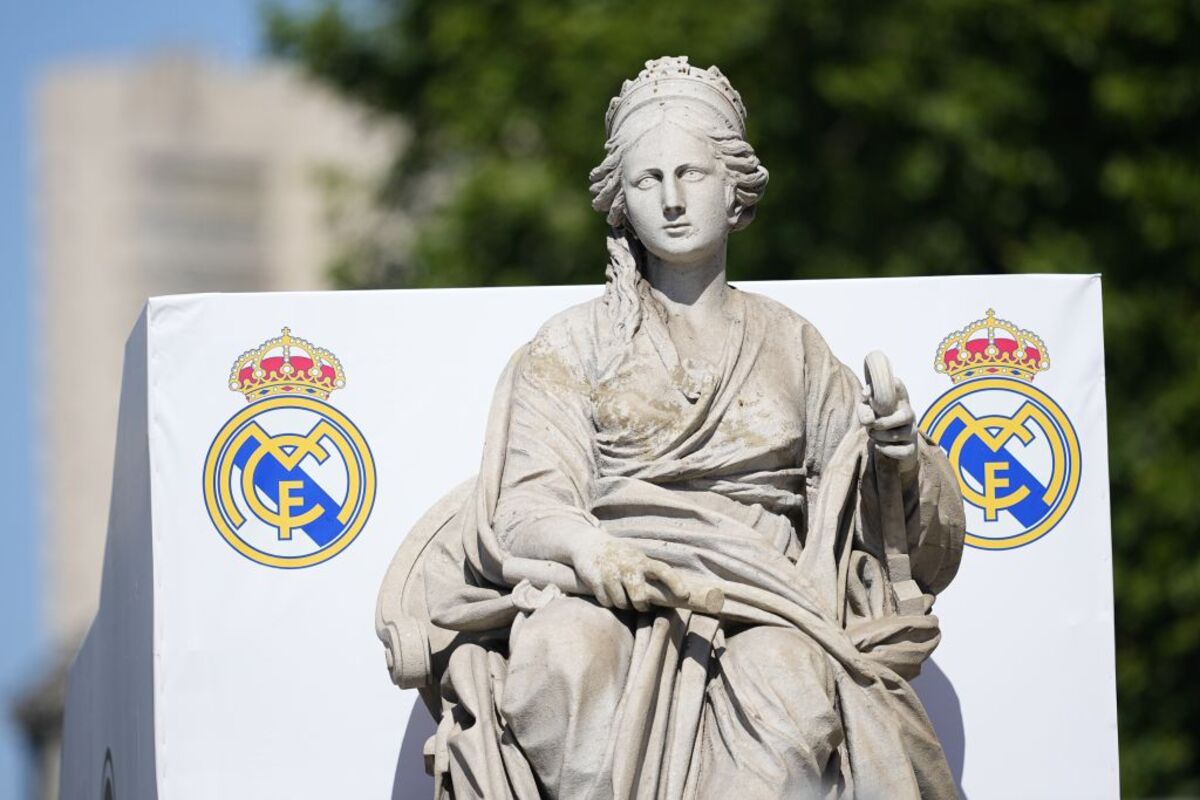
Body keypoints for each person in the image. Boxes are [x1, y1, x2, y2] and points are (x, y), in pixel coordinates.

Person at [383, 56, 965, 800]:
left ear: (735, 190)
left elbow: (871, 513)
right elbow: (527, 506)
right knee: (558, 654)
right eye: (647, 180)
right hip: (606, 585)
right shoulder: (571, 345)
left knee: (788, 682)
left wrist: (898, 458)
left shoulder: (793, 346)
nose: (673, 200)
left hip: (764, 598)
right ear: (620, 201)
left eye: (692, 173)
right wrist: (595, 553)